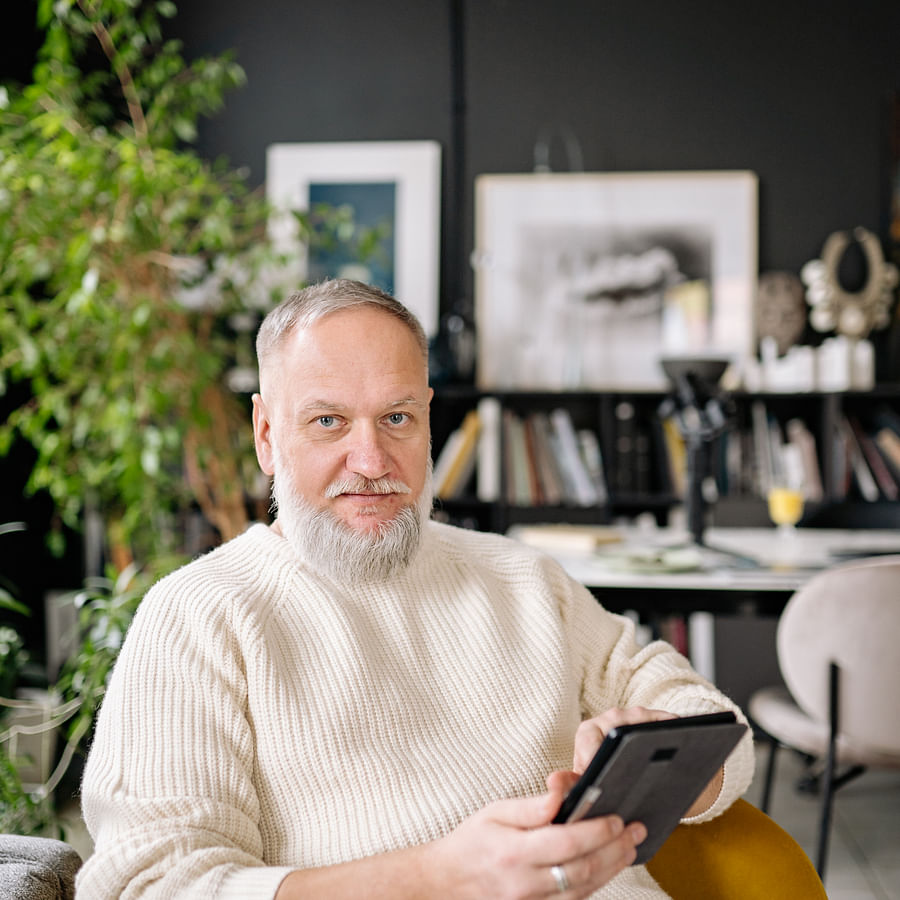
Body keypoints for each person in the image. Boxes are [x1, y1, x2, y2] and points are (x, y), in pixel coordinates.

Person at [77, 279, 755, 899]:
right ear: (266, 435)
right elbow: (150, 885)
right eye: (328, 421)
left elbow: (711, 722)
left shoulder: (525, 578)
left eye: (397, 418)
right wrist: (437, 878)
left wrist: (669, 760)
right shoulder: (199, 616)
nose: (371, 461)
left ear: (428, 418)